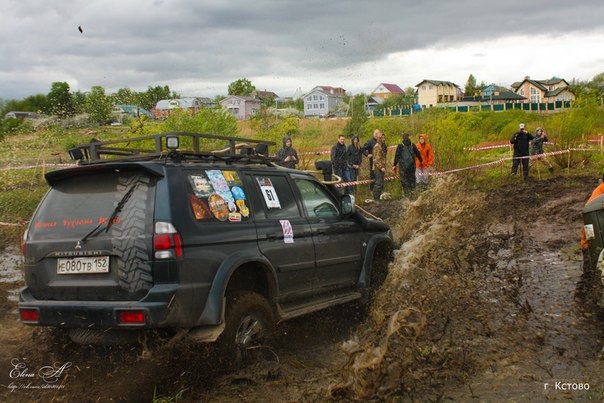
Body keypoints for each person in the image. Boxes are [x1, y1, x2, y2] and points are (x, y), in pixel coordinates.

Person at [372, 131, 387, 201]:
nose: (383, 139)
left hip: (381, 166)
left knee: (381, 183)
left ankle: (378, 198)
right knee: (378, 183)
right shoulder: (377, 146)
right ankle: (376, 199)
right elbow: (376, 159)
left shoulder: (382, 146)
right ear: (379, 139)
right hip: (378, 168)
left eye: (384, 138)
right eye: (382, 138)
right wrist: (381, 167)